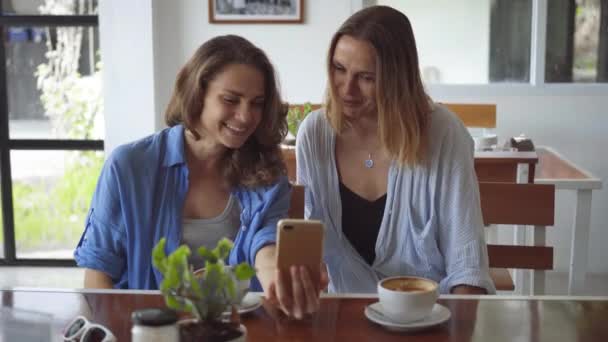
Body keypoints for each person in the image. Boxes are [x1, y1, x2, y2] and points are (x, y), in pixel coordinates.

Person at [75, 35, 326, 318]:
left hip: (237, 329)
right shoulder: (129, 166)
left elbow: (266, 243)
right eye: (231, 99)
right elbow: (98, 273)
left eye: (257, 103)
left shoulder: (267, 173)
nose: (246, 116)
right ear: (197, 93)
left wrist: (278, 279)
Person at [296, 6, 495, 294]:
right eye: (339, 69)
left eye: (366, 77)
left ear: (397, 79)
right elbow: (308, 249)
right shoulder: (314, 134)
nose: (346, 90)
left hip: (427, 318)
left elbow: (468, 269)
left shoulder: (445, 134)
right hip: (342, 321)